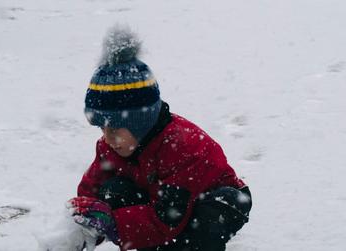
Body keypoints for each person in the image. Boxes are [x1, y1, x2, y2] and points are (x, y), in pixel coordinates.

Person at [67, 25, 252, 251]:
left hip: (214, 201)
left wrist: (114, 224)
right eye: (101, 128)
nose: (107, 138)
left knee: (201, 227)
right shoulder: (112, 145)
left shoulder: (183, 148)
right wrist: (83, 223)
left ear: (140, 123)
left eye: (114, 129)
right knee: (113, 191)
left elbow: (167, 219)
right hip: (161, 201)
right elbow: (91, 191)